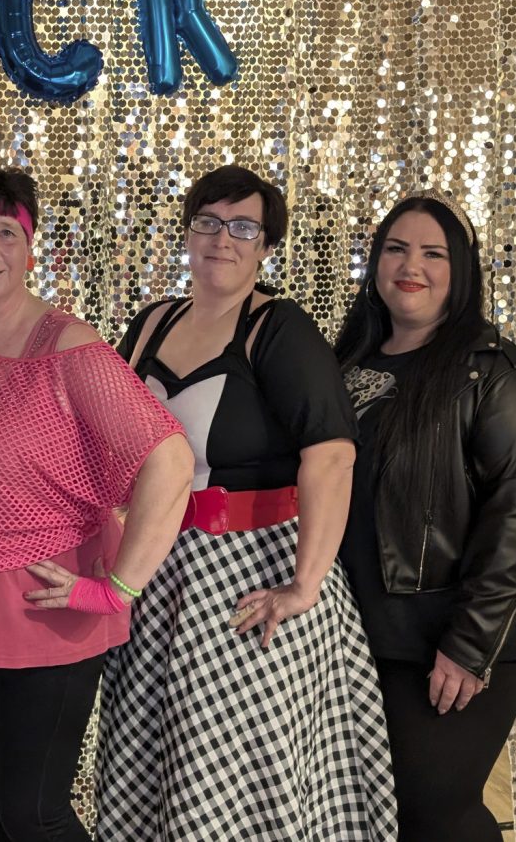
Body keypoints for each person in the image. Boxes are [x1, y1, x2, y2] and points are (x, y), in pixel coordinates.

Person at [0, 165, 193, 842]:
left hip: (43, 607)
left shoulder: (67, 347)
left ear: (30, 249)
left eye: (5, 232)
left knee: (32, 816)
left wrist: (120, 587)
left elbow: (169, 460)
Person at [96, 165, 398, 841]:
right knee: (155, 753)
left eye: (242, 227)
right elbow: (106, 437)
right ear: (187, 233)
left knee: (240, 770)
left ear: (265, 245)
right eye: (207, 222)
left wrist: (305, 585)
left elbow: (332, 456)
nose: (221, 240)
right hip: (155, 575)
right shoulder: (151, 324)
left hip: (248, 578)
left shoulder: (278, 328)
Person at [334, 193, 516, 842]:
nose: (412, 266)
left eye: (433, 254)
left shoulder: (501, 374)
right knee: (384, 811)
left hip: (460, 627)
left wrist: (469, 644)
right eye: (396, 249)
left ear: (462, 270)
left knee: (432, 812)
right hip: (367, 627)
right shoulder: (347, 359)